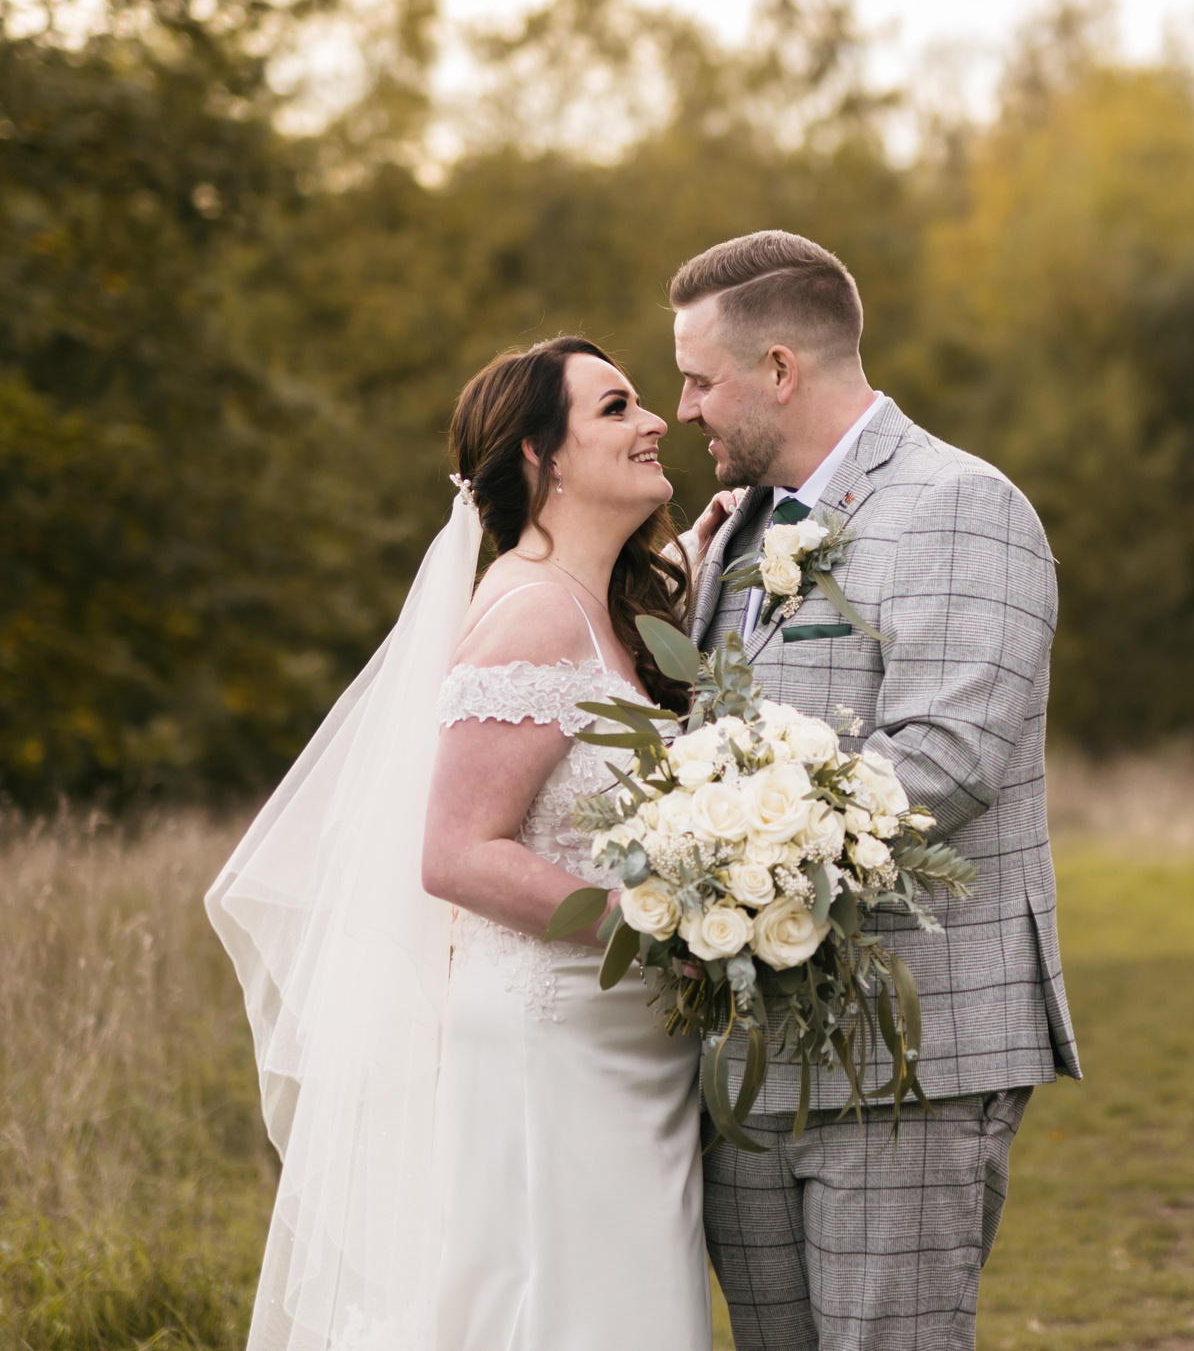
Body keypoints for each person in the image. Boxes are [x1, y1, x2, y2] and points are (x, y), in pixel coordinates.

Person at [206, 335, 711, 1351]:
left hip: (625, 1054)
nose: (655, 420)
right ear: (542, 458)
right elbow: (455, 854)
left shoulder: (602, 604)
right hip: (553, 1052)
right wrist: (656, 929)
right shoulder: (532, 613)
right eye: (617, 408)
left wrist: (708, 538)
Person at [671, 231, 1083, 1351]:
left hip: (911, 1046)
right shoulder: (740, 529)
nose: (683, 411)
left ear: (780, 372)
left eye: (700, 381)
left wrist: (702, 856)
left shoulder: (963, 504)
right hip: (748, 1057)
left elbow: (945, 760)